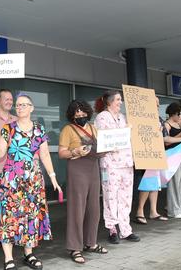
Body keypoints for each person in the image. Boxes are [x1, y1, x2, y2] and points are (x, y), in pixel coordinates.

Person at [0, 94, 61, 270]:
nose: (19, 108)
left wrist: (53, 176)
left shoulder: (39, 129)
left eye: (24, 105)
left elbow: (45, 155)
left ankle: (29, 254)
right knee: (8, 217)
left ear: (32, 108)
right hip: (11, 179)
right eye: (17, 106)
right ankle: (8, 258)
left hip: (33, 180)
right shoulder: (8, 128)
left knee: (30, 217)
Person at [58, 100, 107, 264]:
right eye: (76, 113)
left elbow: (101, 148)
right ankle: (74, 248)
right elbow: (61, 153)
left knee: (94, 208)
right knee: (77, 209)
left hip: (93, 169)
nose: (80, 115)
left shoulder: (93, 128)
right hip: (77, 169)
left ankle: (91, 243)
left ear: (88, 112)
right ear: (71, 115)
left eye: (82, 112)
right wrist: (75, 151)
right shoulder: (68, 129)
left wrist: (107, 148)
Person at [94, 90, 139, 244]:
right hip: (110, 163)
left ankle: (126, 230)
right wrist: (126, 129)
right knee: (110, 196)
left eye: (121, 99)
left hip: (126, 162)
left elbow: (128, 137)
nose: (121, 102)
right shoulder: (102, 118)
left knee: (126, 197)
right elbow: (106, 138)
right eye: (118, 99)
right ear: (110, 101)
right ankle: (112, 229)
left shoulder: (123, 117)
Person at [134, 97, 168, 224]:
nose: (158, 106)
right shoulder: (140, 118)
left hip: (157, 154)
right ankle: (139, 211)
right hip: (145, 154)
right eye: (155, 104)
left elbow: (164, 138)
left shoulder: (159, 120)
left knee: (155, 184)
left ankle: (153, 211)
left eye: (158, 104)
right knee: (147, 183)